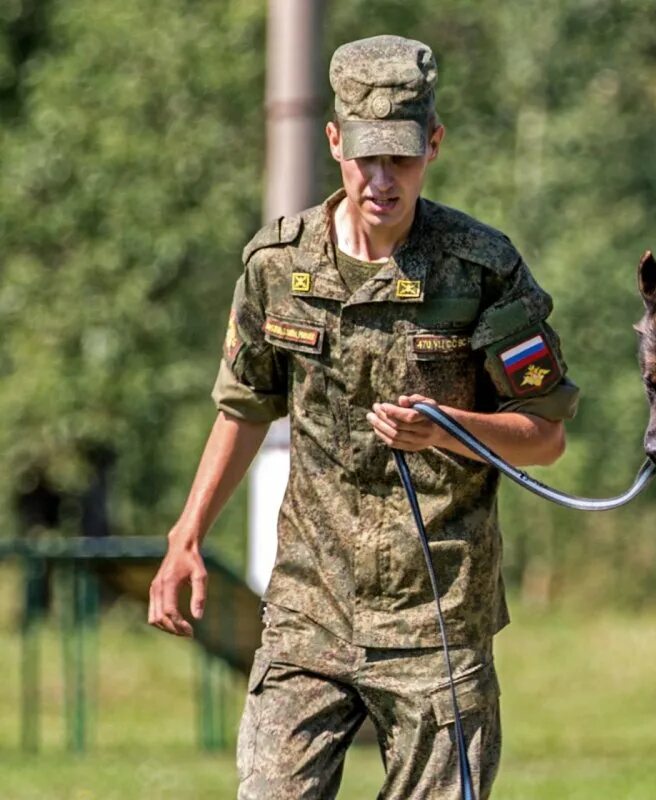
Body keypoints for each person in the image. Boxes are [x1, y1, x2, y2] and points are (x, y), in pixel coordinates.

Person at [147, 35, 578, 799]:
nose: (382, 181)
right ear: (334, 141)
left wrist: (450, 428)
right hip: (310, 606)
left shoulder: (481, 267)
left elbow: (545, 436)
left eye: (403, 159)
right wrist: (186, 539)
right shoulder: (278, 266)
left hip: (438, 616)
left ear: (434, 145)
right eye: (365, 159)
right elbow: (243, 406)